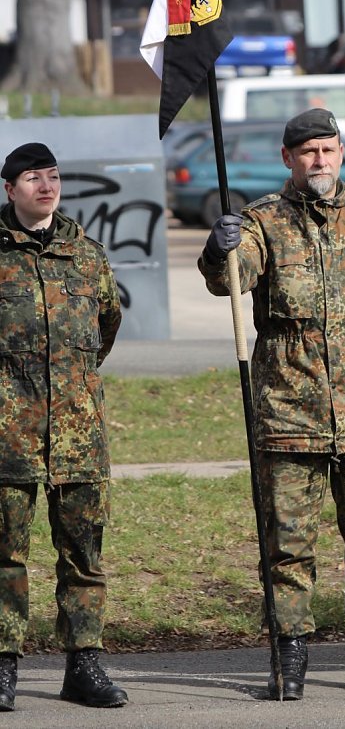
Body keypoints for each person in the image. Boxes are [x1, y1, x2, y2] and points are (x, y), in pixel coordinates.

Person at [199, 108, 345, 700]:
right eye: (306, 152)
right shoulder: (262, 223)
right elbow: (231, 280)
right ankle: (290, 654)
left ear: (341, 153)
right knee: (287, 545)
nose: (318, 161)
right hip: (288, 416)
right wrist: (217, 246)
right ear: (287, 160)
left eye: (327, 150)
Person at [0, 143, 127, 712]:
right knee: (6, 555)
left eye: (52, 177)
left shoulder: (88, 256)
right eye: (33, 178)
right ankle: (3, 666)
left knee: (83, 555)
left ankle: (84, 665)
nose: (46, 186)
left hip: (78, 433)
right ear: (10, 189)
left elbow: (105, 329)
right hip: (8, 434)